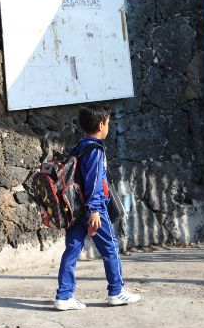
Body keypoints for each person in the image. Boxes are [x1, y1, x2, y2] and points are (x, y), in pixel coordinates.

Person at [54, 104, 141, 311]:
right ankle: (117, 291)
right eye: (108, 123)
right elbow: (93, 181)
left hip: (76, 208)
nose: (108, 126)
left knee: (72, 250)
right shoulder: (95, 150)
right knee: (110, 247)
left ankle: (64, 296)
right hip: (93, 209)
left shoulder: (79, 147)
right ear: (102, 124)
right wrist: (94, 210)